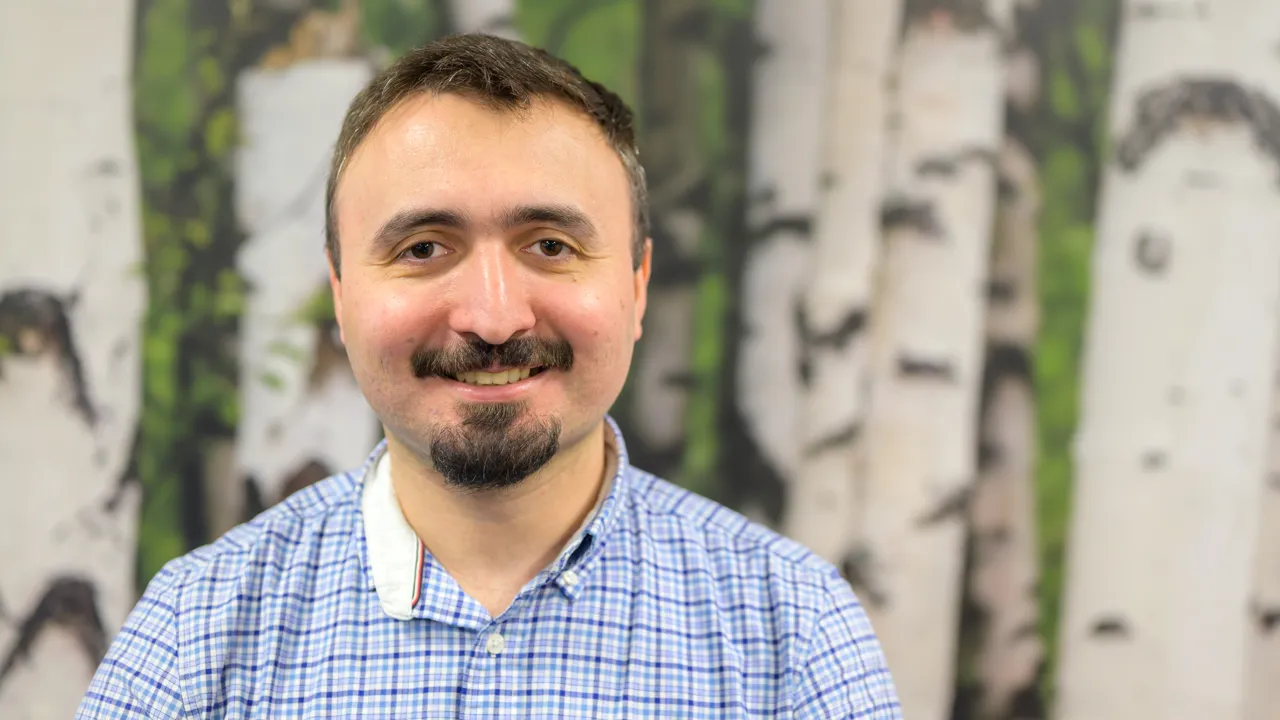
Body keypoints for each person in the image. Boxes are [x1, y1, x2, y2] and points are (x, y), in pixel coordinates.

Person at [77, 33, 901, 718]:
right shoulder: (194, 633)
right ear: (339, 291)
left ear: (638, 285)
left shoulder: (794, 629)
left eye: (551, 246)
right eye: (424, 249)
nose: (494, 317)